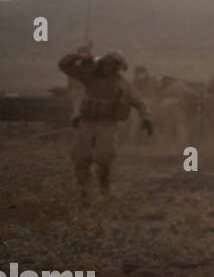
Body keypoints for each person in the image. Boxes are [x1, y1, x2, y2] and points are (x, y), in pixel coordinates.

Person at [57, 49, 153, 201]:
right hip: (87, 121)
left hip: (107, 123)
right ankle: (84, 190)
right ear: (102, 63)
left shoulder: (122, 84)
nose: (110, 68)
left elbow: (138, 101)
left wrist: (146, 117)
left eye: (114, 66)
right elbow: (63, 65)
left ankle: (104, 188)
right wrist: (79, 56)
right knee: (82, 157)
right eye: (108, 64)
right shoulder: (88, 76)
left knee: (105, 157)